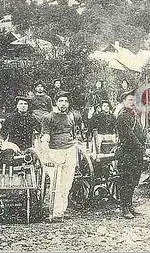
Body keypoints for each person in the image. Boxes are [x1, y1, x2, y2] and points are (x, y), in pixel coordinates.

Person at [41, 91, 83, 222]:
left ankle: (62, 210)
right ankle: (55, 212)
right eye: (61, 101)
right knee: (57, 184)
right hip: (55, 152)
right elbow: (45, 139)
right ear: (56, 103)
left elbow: (73, 135)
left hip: (70, 151)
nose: (63, 104)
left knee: (67, 183)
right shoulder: (49, 118)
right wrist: (46, 157)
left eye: (66, 101)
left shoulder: (70, 117)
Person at [116, 88, 146, 219]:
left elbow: (139, 133)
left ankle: (130, 205)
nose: (132, 102)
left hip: (136, 153)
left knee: (134, 180)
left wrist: (144, 143)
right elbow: (129, 136)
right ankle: (124, 208)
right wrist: (141, 148)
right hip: (127, 153)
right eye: (129, 100)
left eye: (133, 100)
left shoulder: (134, 115)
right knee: (126, 180)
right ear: (123, 101)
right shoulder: (122, 116)